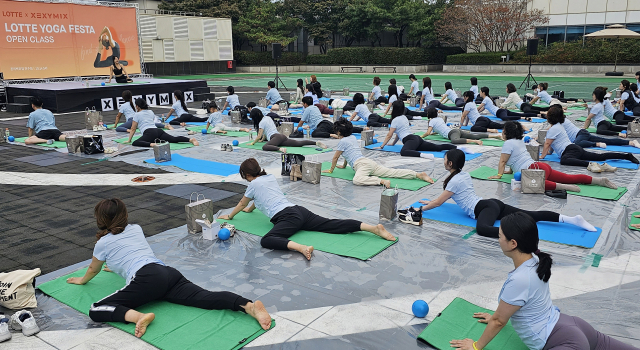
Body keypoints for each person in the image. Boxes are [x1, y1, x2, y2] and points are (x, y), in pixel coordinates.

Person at [66, 198, 272, 338]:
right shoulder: (135, 229)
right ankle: (248, 306)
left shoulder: (103, 243)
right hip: (167, 274)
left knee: (96, 309)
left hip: (146, 279)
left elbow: (93, 269)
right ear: (124, 215)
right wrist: (116, 267)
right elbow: (129, 254)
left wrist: (81, 280)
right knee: (205, 297)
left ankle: (138, 317)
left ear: (101, 220)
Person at [449, 212, 639, 350]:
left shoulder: (520, 278)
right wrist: (496, 316)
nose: (498, 239)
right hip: (574, 326)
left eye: (500, 236)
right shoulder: (535, 260)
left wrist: (475, 346)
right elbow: (515, 309)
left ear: (513, 243)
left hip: (564, 341)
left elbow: (499, 322)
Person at [219, 158, 397, 260]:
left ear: (247, 175)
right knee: (332, 224)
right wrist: (251, 209)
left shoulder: (253, 184)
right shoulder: (269, 178)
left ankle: (301, 248)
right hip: (298, 210)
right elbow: (258, 198)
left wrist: (231, 216)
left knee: (268, 240)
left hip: (287, 217)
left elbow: (242, 203)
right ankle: (372, 228)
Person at [398, 149, 597, 236]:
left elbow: (439, 202)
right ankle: (571, 219)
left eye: (445, 159)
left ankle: (516, 236)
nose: (443, 161)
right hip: (491, 203)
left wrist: (421, 208)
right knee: (532, 216)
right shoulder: (463, 175)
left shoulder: (455, 180)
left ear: (450, 163)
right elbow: (441, 199)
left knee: (483, 229)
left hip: (485, 208)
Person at [490, 120, 618, 192]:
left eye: (504, 130)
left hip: (533, 169)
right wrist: (510, 171)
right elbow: (515, 159)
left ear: (508, 133)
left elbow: (502, 161)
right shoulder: (519, 141)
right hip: (540, 166)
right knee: (569, 177)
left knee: (531, 184)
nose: (502, 132)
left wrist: (499, 175)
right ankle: (599, 181)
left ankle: (564, 187)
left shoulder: (507, 143)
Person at [323, 118, 433, 187]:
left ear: (339, 132)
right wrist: (343, 165)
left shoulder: (342, 141)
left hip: (361, 165)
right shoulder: (351, 137)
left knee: (357, 180)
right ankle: (417, 174)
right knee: (392, 172)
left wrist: (331, 170)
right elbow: (348, 153)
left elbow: (335, 157)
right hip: (368, 162)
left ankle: (381, 181)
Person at [541, 106, 637, 171]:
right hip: (574, 149)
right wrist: (548, 153)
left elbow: (547, 144)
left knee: (564, 160)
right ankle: (626, 156)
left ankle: (589, 164)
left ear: (550, 118)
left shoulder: (553, 129)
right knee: (600, 157)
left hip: (570, 151)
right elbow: (551, 147)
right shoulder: (558, 126)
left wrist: (542, 156)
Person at [375, 100, 456, 158]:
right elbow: (398, 133)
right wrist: (392, 143)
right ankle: (457, 148)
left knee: (403, 152)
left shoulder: (395, 120)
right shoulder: (404, 117)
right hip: (416, 138)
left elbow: (389, 135)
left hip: (410, 140)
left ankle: (423, 155)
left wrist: (382, 146)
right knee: (437, 147)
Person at [558, 103, 640, 150]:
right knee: (607, 140)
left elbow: (588, 118)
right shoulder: (601, 104)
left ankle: (596, 144)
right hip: (584, 133)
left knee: (577, 144)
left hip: (582, 134)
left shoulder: (559, 122)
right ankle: (631, 142)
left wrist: (585, 127)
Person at [127, 99, 198, 148]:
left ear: (137, 106)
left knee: (135, 143)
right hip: (158, 131)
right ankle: (190, 140)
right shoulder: (150, 112)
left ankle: (152, 144)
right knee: (173, 139)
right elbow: (151, 121)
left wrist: (129, 140)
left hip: (149, 132)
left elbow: (133, 128)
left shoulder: (137, 114)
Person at [248, 108, 325, 153]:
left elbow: (258, 136)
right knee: (298, 143)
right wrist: (262, 139)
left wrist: (253, 143)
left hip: (275, 137)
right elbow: (266, 131)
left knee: (265, 147)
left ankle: (280, 149)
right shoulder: (267, 117)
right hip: (281, 136)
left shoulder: (261, 122)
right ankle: (316, 143)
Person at [421, 108, 502, 146]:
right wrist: (433, 133)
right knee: (475, 136)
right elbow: (440, 129)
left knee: (454, 141)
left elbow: (428, 132)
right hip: (455, 131)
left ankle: (475, 141)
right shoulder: (439, 119)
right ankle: (496, 136)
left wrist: (421, 136)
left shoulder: (431, 121)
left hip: (452, 133)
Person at [297, 96, 364, 138]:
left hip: (322, 126)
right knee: (343, 129)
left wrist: (296, 130)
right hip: (326, 122)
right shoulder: (315, 107)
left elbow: (301, 122)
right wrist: (309, 126)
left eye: (303, 103)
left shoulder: (307, 109)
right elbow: (315, 119)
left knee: (315, 133)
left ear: (305, 104)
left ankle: (332, 135)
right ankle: (363, 130)